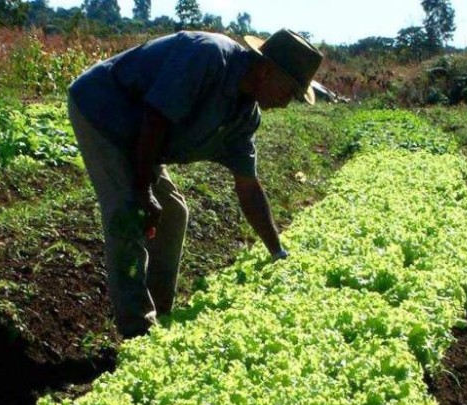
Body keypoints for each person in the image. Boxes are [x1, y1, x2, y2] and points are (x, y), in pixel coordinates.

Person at [67, 29, 323, 338]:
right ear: (268, 71)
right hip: (104, 111)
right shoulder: (207, 57)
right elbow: (155, 117)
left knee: (173, 213)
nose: (287, 103)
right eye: (289, 92)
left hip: (144, 137)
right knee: (129, 213)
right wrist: (143, 191)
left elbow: (249, 187)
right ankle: (137, 329)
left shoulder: (245, 117)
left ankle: (161, 314)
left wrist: (277, 252)